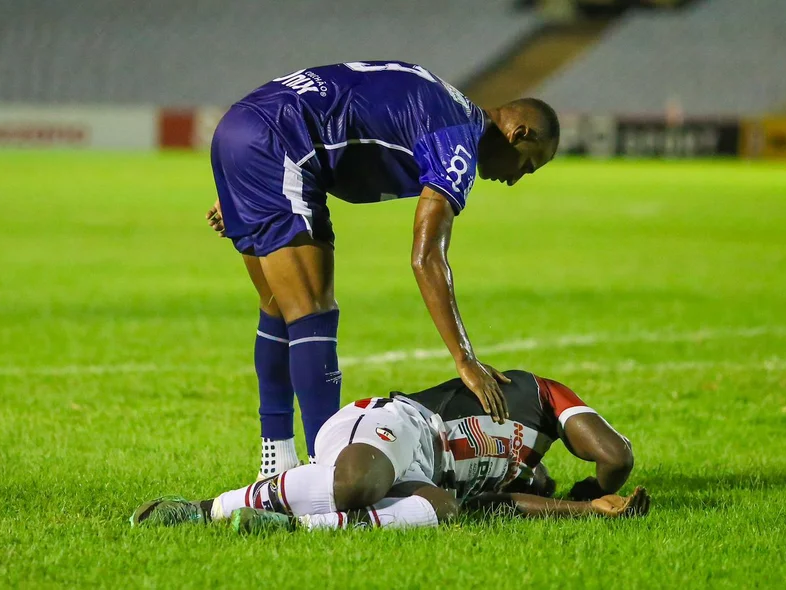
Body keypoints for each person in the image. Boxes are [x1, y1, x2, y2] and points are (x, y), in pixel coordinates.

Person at [203, 61, 560, 476]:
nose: (516, 179)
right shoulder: (460, 142)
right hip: (279, 145)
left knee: (278, 307)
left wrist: (246, 180)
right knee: (312, 312)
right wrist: (464, 358)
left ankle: (276, 459)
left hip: (244, 126)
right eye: (528, 165)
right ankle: (328, 468)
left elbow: (348, 93)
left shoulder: (447, 99)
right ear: (520, 134)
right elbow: (427, 256)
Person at [130, 370, 649, 532]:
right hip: (394, 422)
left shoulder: (505, 479)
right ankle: (206, 510)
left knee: (443, 512)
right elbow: (615, 456)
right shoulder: (535, 392)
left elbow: (493, 507)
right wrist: (599, 484)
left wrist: (586, 508)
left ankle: (289, 525)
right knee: (357, 486)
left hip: (421, 470)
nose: (538, 482)